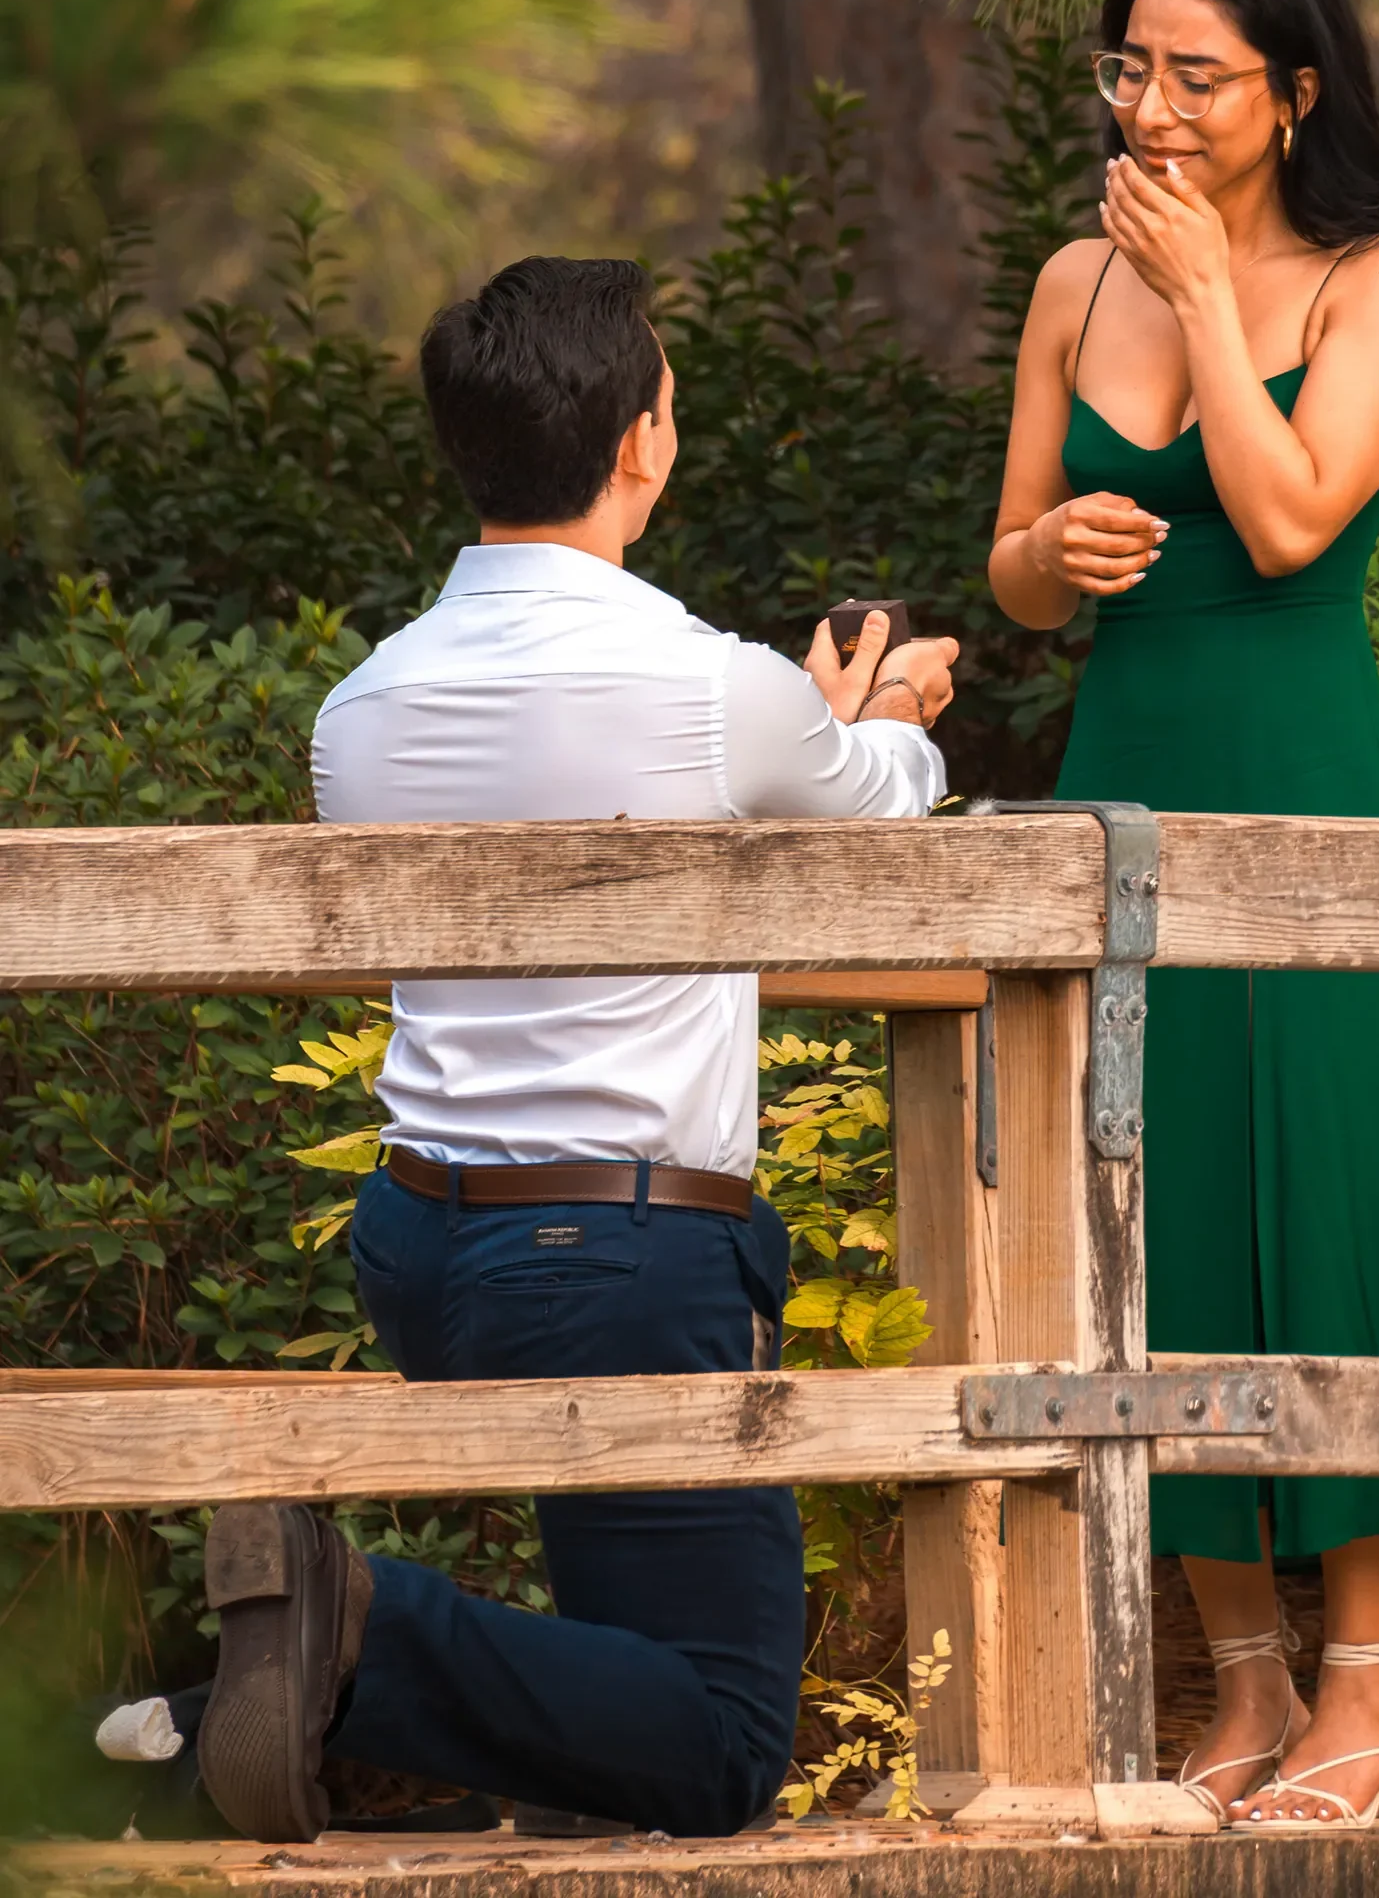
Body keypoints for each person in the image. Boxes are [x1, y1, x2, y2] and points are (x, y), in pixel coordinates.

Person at [190, 254, 959, 1845]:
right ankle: (355, 1622)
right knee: (724, 1743)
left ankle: (186, 1725)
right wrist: (888, 714)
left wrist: (799, 727)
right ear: (640, 445)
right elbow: (883, 806)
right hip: (621, 1253)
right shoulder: (719, 688)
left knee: (634, 1689)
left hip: (421, 1243)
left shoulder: (360, 706)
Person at [988, 0, 1379, 1832]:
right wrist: (1057, 557)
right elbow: (1014, 577)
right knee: (1158, 1201)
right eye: (1130, 67)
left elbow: (1287, 523)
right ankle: (1246, 1679)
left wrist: (1205, 289)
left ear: (1295, 90)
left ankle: (1371, 1685)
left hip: (1307, 774)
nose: (1154, 107)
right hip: (1128, 776)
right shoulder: (1069, 280)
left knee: (1334, 1202)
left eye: (1197, 75)